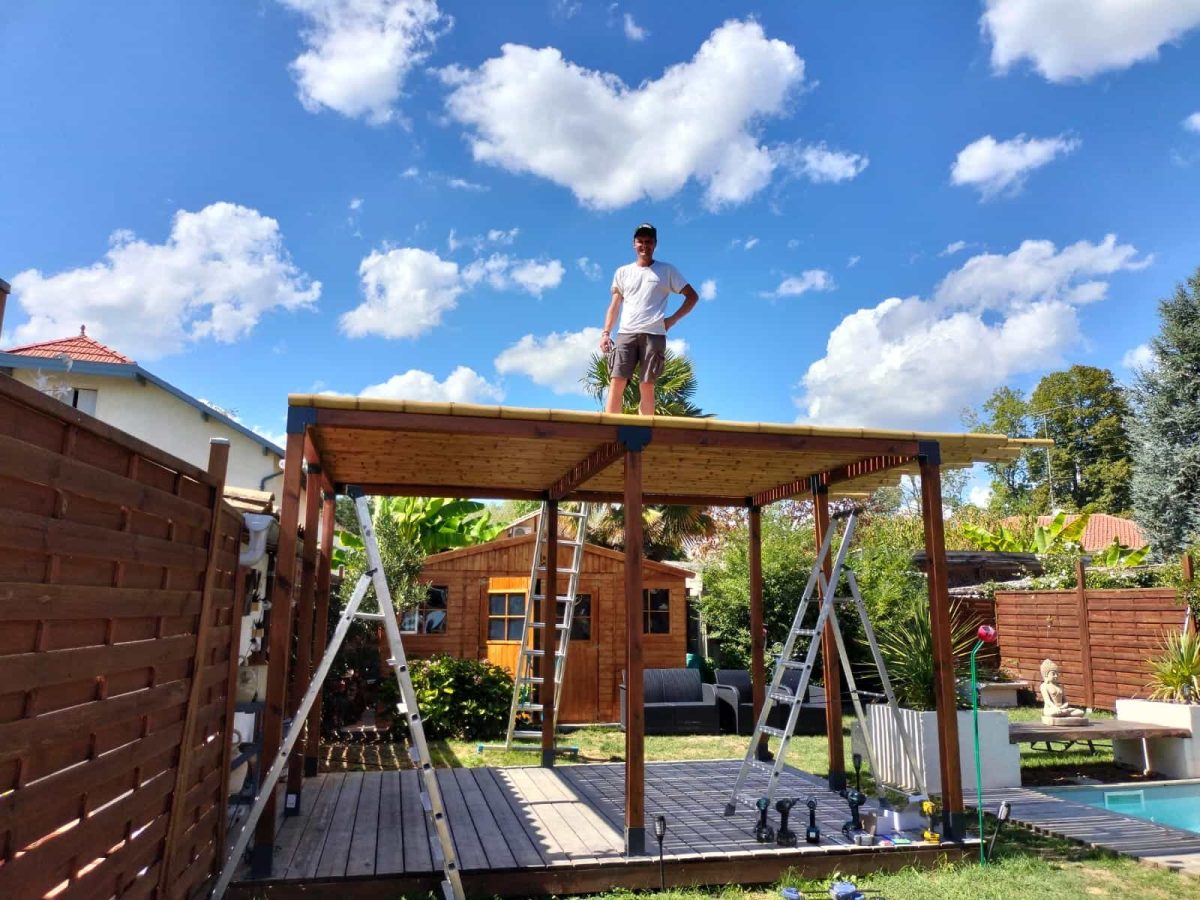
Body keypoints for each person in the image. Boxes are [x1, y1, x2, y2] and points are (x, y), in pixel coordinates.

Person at [600, 223, 699, 415]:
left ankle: (644, 431)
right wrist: (605, 333)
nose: (644, 245)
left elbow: (692, 296)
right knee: (617, 382)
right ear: (634, 244)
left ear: (655, 244)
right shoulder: (622, 272)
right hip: (625, 333)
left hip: (654, 334)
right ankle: (611, 430)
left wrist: (672, 320)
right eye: (640, 242)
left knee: (647, 385)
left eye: (648, 241)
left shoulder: (667, 270)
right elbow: (614, 305)